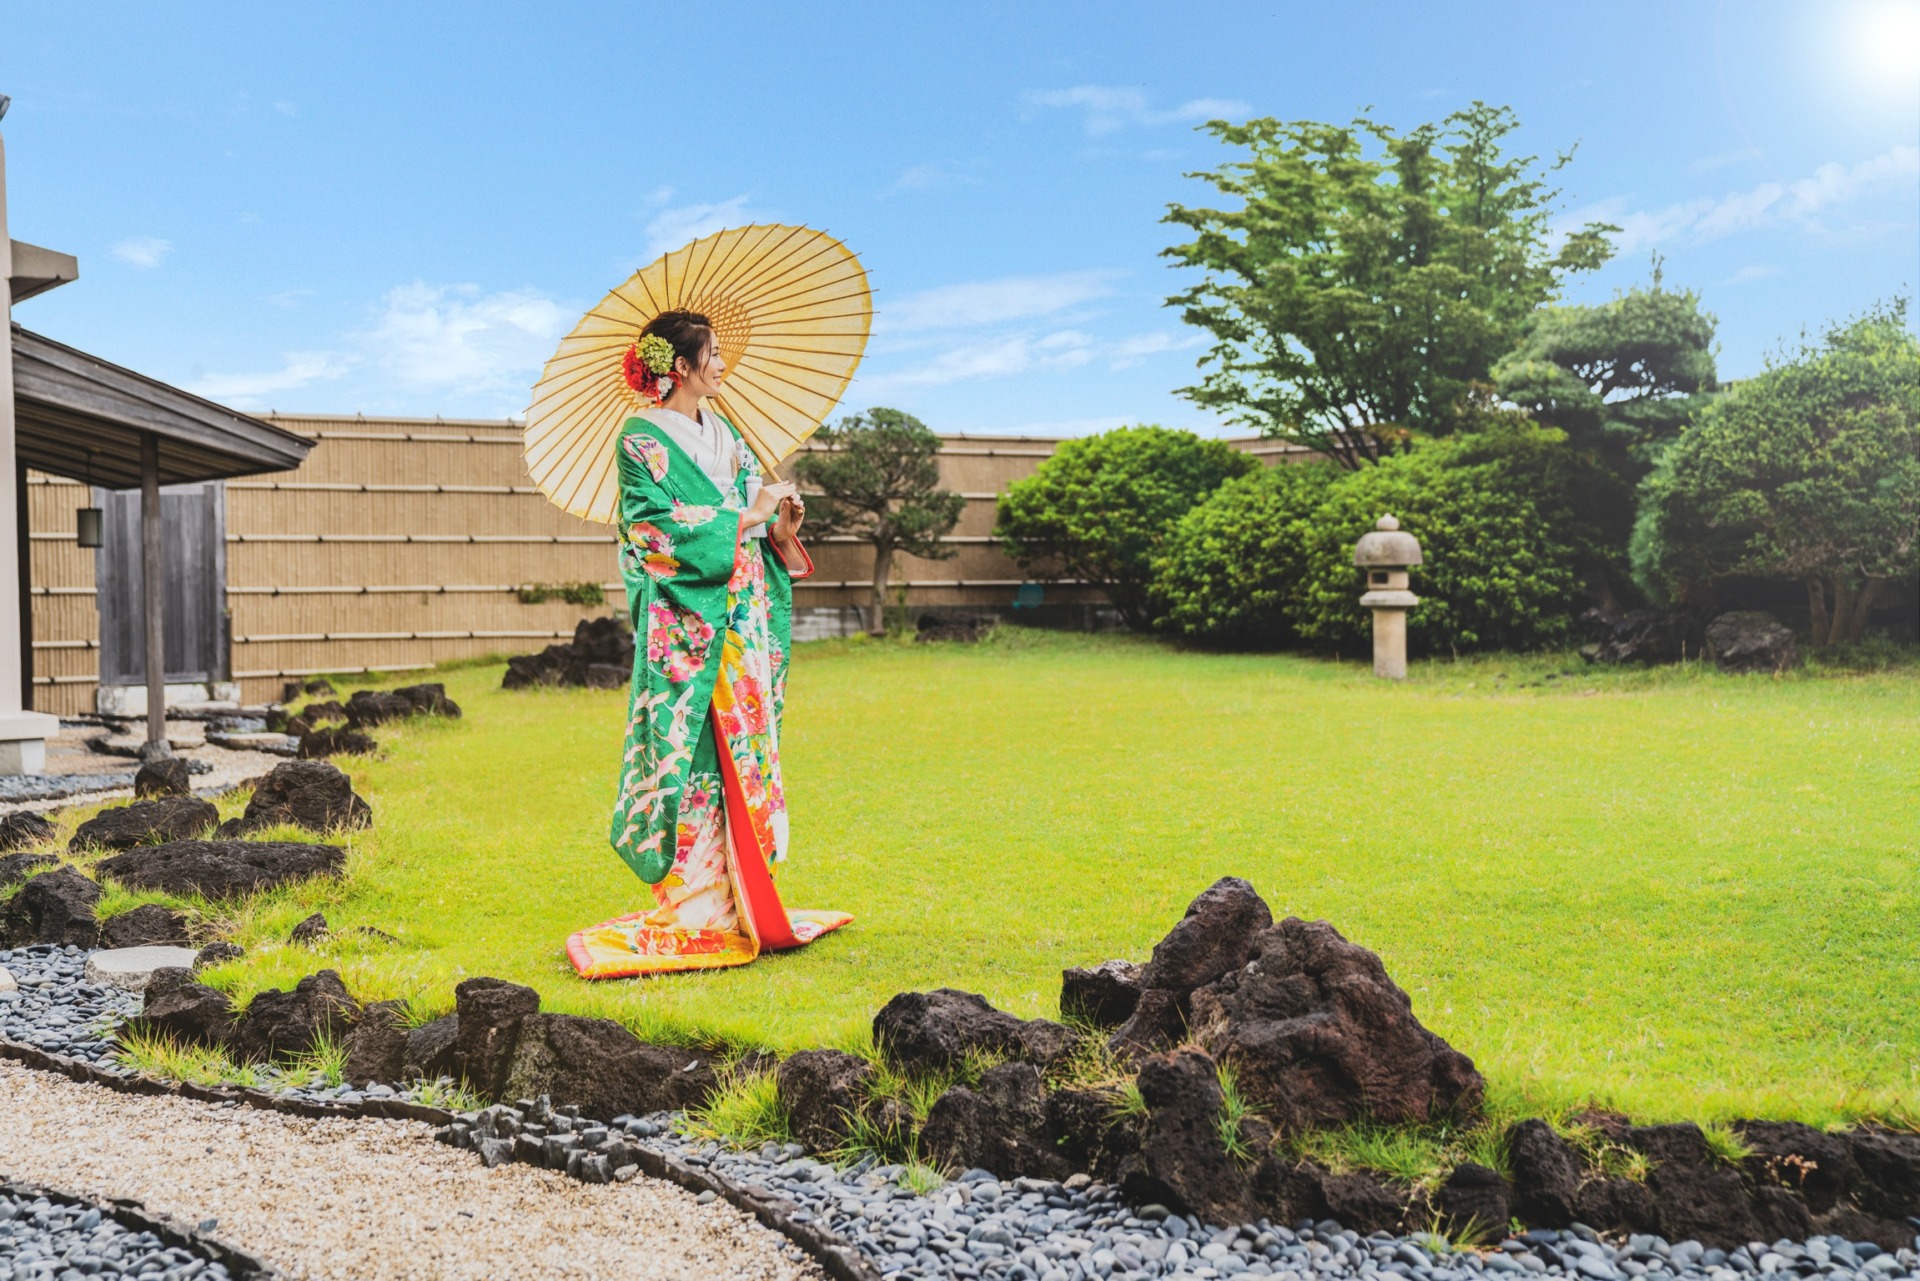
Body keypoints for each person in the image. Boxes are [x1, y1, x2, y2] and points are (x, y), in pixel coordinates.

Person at [565, 309, 851, 979]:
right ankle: (696, 905)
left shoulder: (727, 432)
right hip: (688, 624)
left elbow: (757, 515)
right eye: (714, 354)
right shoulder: (638, 440)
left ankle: (742, 897)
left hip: (741, 615)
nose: (724, 364)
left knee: (744, 749)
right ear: (682, 367)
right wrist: (742, 517)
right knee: (694, 746)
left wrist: (780, 526)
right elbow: (649, 530)